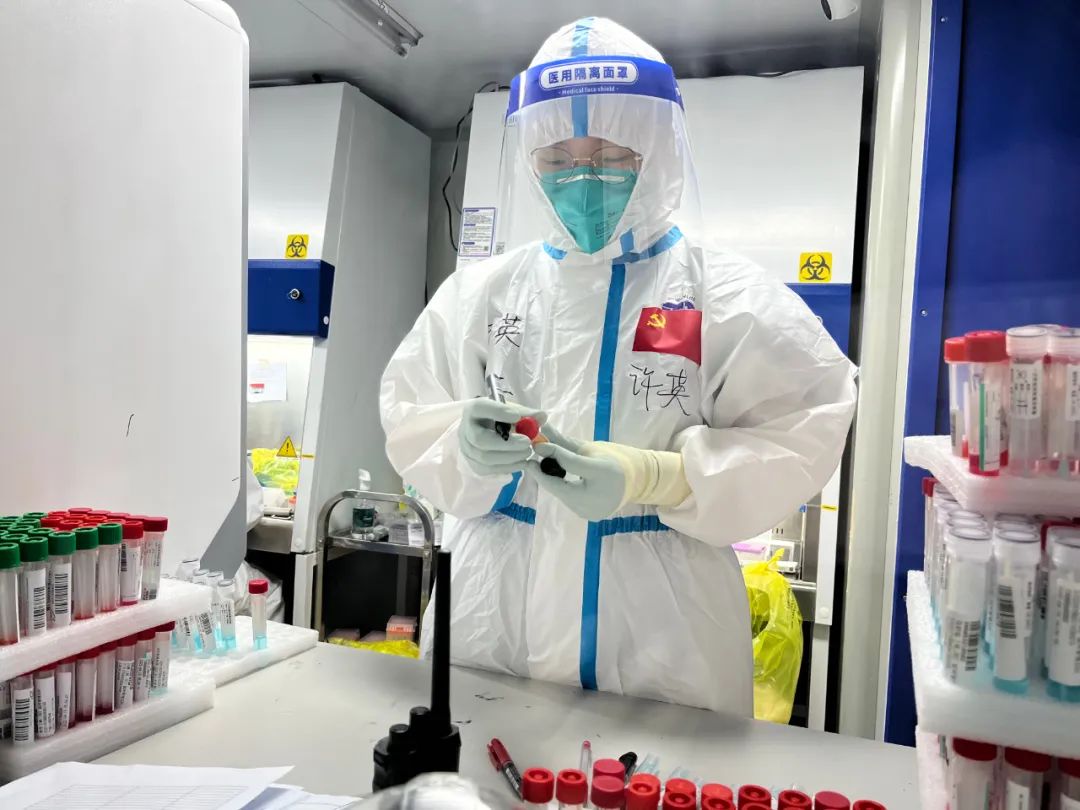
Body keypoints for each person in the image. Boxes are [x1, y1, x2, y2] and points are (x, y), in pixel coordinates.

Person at [380, 17, 857, 714]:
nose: (582, 175)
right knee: (479, 754)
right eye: (558, 157)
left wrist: (658, 476)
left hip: (664, 634)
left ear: (657, 148)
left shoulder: (727, 297)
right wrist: (463, 446)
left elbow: (805, 426)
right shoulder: (482, 295)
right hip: (491, 614)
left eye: (609, 151)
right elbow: (411, 414)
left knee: (656, 768)